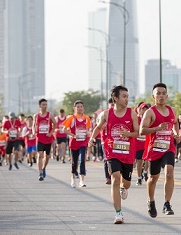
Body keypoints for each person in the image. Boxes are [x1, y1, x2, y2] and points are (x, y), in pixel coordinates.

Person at [89, 85, 139, 224]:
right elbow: (98, 127)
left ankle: (124, 188)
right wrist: (92, 139)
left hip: (128, 152)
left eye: (127, 97)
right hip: (112, 151)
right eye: (124, 96)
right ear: (115, 98)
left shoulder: (132, 113)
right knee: (115, 178)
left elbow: (138, 132)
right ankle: (118, 214)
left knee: (126, 183)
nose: (126, 99)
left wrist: (128, 134)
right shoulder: (106, 114)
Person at [140, 83, 180, 217]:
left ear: (167, 96)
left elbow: (174, 123)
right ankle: (151, 201)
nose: (161, 96)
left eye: (163, 93)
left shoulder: (173, 110)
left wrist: (176, 133)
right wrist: (157, 128)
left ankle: (167, 203)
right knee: (153, 178)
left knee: (169, 172)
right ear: (153, 96)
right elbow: (142, 130)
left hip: (168, 147)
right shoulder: (150, 112)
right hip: (155, 149)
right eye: (158, 93)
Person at [63, 100, 92, 187]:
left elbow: (88, 129)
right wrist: (72, 135)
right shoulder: (71, 118)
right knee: (74, 162)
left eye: (81, 107)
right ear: (74, 108)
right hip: (74, 143)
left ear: (83, 108)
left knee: (82, 160)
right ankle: (73, 178)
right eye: (78, 107)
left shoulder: (86, 118)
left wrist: (88, 133)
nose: (80, 108)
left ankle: (82, 180)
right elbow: (64, 129)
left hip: (83, 142)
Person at [33, 98, 56, 180]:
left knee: (47, 157)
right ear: (39, 106)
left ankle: (44, 168)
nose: (45, 106)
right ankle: (40, 173)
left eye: (46, 104)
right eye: (43, 105)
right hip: (39, 138)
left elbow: (55, 125)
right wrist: (33, 132)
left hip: (48, 138)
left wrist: (50, 133)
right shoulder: (36, 116)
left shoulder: (50, 115)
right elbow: (34, 126)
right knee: (40, 155)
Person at [135, 102, 150, 185]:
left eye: (146, 109)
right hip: (138, 143)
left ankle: (145, 171)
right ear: (139, 110)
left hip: (147, 142)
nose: (144, 111)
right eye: (143, 109)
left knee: (147, 159)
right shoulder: (136, 119)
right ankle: (139, 177)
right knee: (139, 161)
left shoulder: (149, 118)